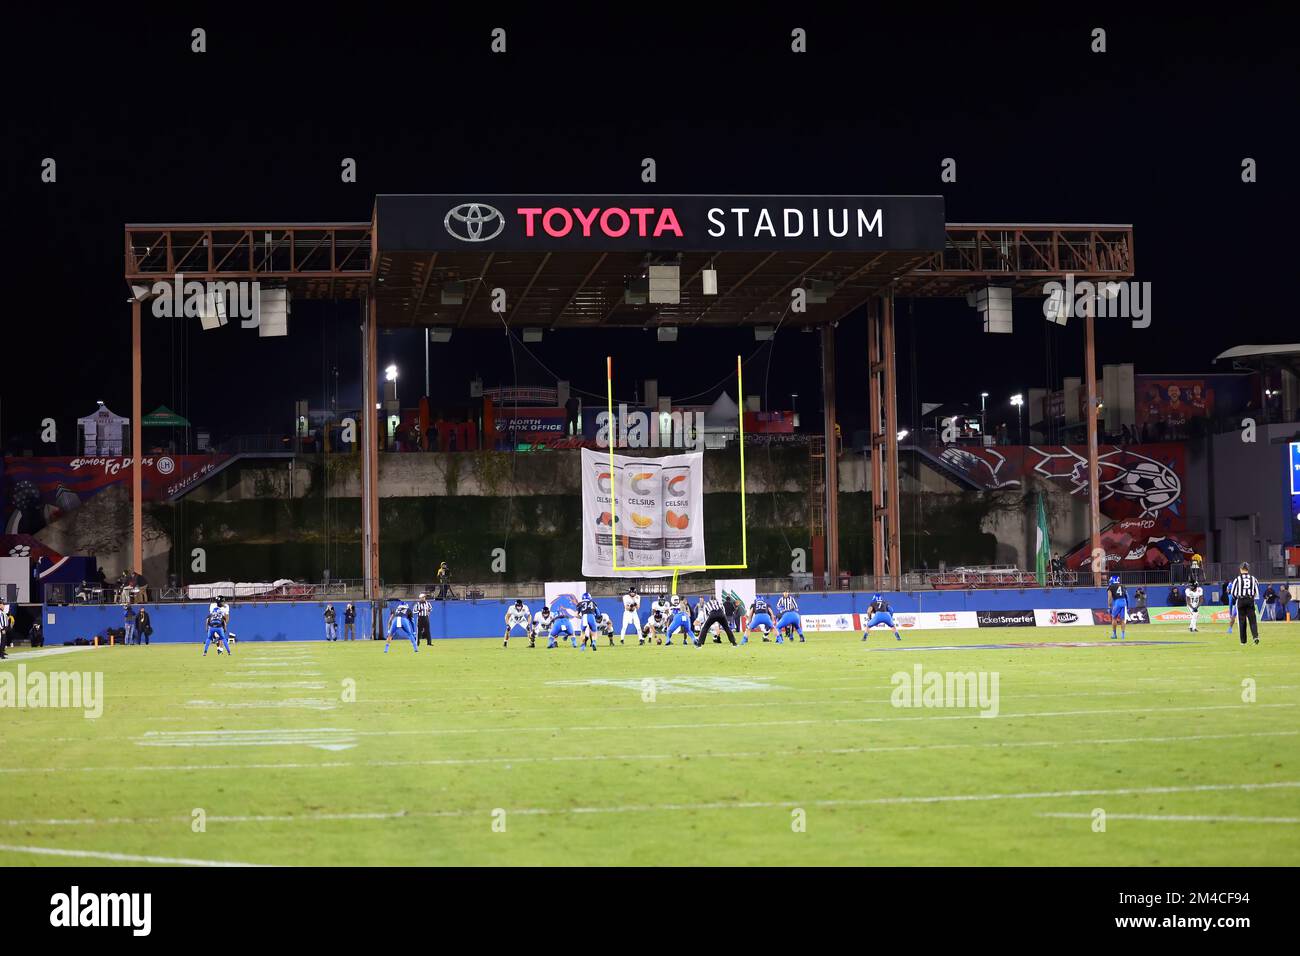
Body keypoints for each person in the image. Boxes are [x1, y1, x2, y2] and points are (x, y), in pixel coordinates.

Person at [1231, 563, 1261, 645]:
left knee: (1242, 621)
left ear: (1241, 569)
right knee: (1253, 620)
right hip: (1250, 600)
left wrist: (1237, 598)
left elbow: (1233, 592)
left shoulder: (1237, 579)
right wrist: (1252, 598)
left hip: (1241, 600)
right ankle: (1255, 637)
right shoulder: (1253, 578)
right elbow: (1257, 590)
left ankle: (1243, 641)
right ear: (1248, 569)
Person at [1107, 575, 1128, 641]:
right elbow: (1127, 597)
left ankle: (1114, 634)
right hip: (1124, 602)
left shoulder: (1110, 587)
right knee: (1123, 619)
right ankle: (1123, 635)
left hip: (1117, 602)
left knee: (1114, 618)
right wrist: (1128, 606)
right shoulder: (1123, 586)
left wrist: (1109, 606)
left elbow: (1109, 598)